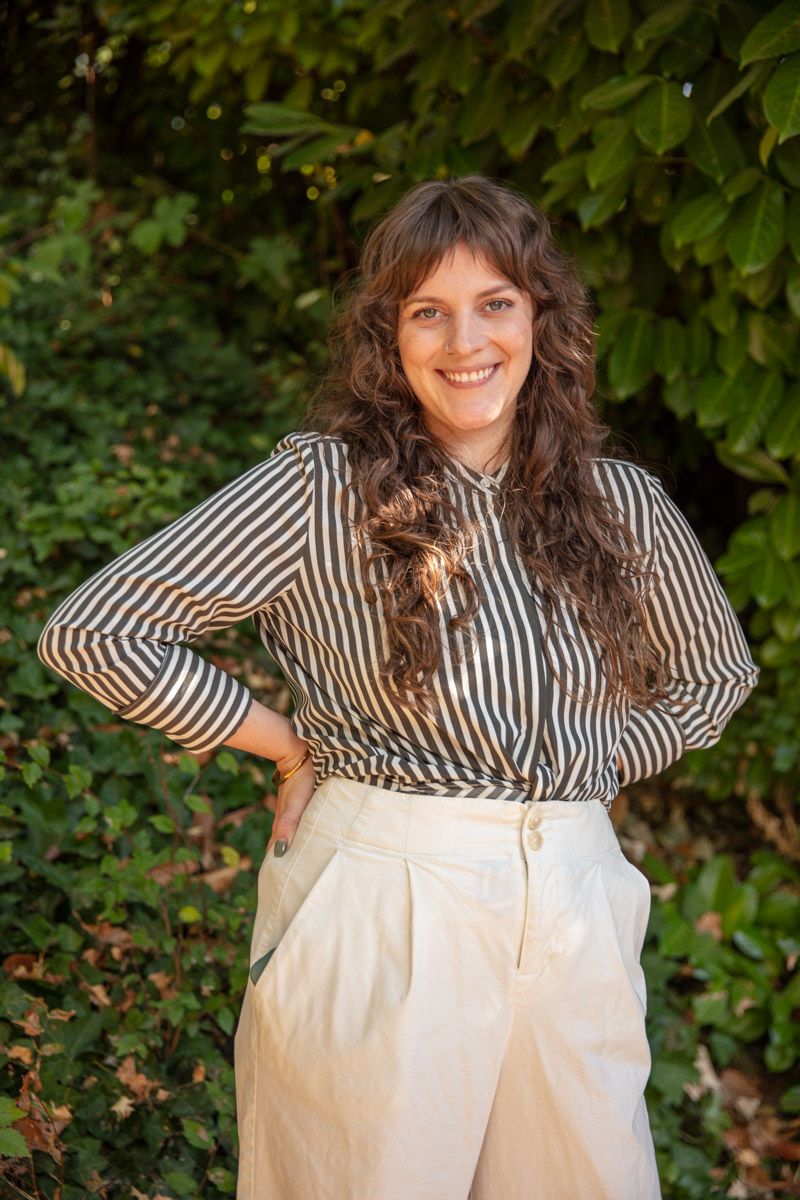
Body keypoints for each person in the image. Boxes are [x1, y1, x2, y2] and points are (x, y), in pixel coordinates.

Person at [38, 174, 759, 1200]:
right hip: (384, 895)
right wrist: (286, 746)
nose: (464, 341)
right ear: (390, 335)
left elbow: (714, 674)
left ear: (539, 319)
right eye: (429, 311)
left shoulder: (621, 501)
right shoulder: (318, 486)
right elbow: (97, 630)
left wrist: (598, 760)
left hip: (574, 903)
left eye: (493, 304)